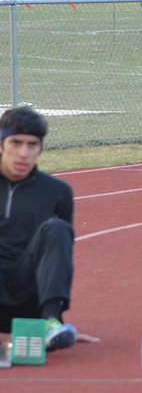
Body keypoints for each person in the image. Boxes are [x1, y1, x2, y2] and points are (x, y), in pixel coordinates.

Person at [0, 106, 77, 350]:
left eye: (32, 144)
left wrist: (58, 320)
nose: (23, 153)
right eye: (16, 143)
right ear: (1, 144)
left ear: (40, 148)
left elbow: (60, 257)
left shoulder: (58, 192)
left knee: (57, 229)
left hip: (27, 301)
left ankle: (50, 325)